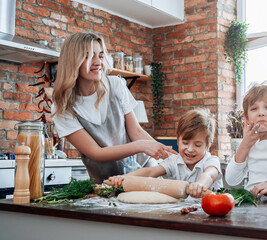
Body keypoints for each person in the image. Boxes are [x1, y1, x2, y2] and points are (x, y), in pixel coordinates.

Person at [51, 32, 176, 183]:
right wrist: (140, 146)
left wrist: (172, 158)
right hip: (107, 182)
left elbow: (136, 132)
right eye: (89, 56)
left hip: (143, 170)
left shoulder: (115, 85)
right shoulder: (63, 107)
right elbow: (96, 153)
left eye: (101, 56)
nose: (98, 62)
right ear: (72, 61)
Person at [108, 108, 223, 198]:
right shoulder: (173, 161)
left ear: (209, 144)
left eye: (197, 145)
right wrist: (123, 178)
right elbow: (150, 172)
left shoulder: (211, 160)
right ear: (178, 140)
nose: (190, 149)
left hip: (210, 212)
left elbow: (209, 174)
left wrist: (200, 185)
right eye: (185, 143)